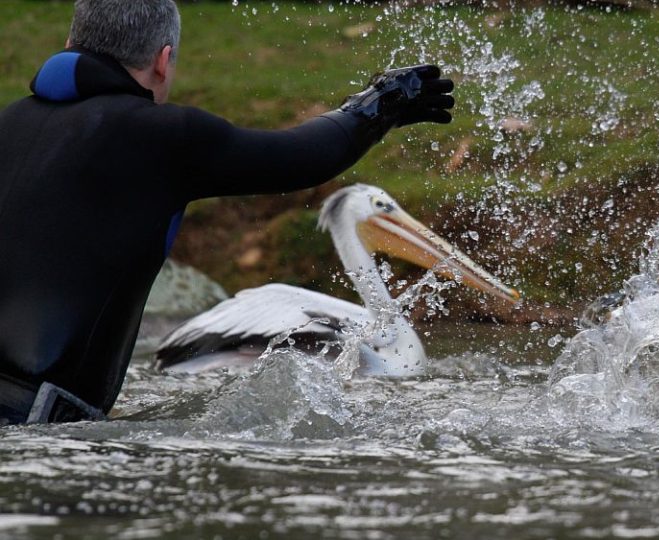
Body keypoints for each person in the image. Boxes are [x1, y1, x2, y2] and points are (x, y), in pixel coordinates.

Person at [0, 0, 455, 425]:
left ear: (68, 45)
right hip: (37, 426)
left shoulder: (7, 123)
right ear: (162, 61)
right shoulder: (160, 136)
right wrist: (379, 104)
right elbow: (302, 156)